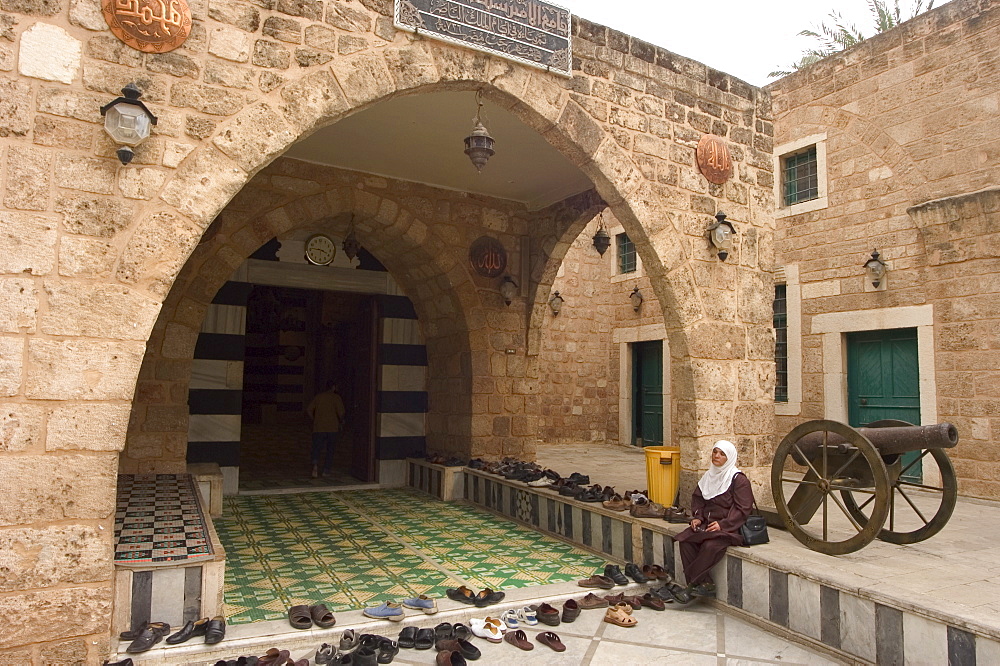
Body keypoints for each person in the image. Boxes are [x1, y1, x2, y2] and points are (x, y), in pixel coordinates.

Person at [670, 440, 754, 600]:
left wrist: (723, 524)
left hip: (729, 529)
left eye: (722, 454)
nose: (716, 456)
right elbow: (698, 499)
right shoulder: (709, 476)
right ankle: (705, 584)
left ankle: (690, 587)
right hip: (708, 526)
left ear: (729, 458)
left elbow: (743, 508)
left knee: (710, 546)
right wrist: (698, 518)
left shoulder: (738, 480)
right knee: (685, 541)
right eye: (715, 452)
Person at [306, 382, 346, 478]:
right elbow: (341, 413)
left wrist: (314, 419)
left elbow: (309, 410)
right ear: (333, 387)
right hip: (332, 428)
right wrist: (342, 422)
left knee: (317, 448)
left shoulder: (319, 397)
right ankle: (326, 471)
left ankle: (315, 466)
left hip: (318, 427)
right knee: (330, 450)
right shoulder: (336, 398)